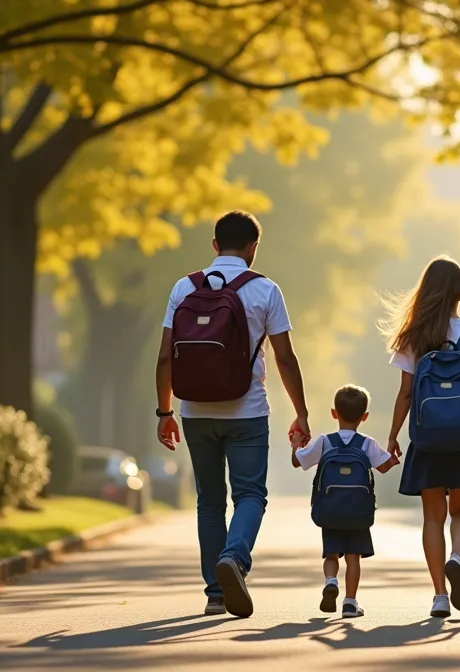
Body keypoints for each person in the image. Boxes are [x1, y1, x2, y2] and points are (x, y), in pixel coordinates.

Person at [155, 210, 312, 619]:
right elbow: (286, 359)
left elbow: (163, 359)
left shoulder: (182, 288)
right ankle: (235, 559)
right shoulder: (265, 290)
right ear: (252, 248)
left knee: (209, 501)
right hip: (247, 412)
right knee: (250, 496)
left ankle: (214, 593)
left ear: (214, 245)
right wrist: (302, 413)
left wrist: (164, 411)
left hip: (194, 411)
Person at [382, 256, 460, 619]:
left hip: (428, 439)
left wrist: (392, 437)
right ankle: (457, 557)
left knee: (433, 518)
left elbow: (406, 393)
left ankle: (439, 595)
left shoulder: (413, 338)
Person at [292, 385, 398, 618]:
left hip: (330, 510)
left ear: (334, 413)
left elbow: (298, 462)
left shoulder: (324, 441)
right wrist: (393, 457)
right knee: (353, 558)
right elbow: (384, 466)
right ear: (365, 417)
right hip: (358, 513)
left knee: (331, 555)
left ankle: (331, 580)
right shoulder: (367, 443)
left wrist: (297, 444)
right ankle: (350, 602)